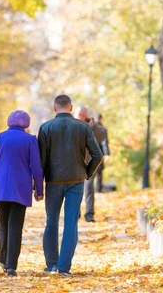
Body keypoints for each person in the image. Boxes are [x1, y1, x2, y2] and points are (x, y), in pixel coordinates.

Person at [38, 95, 103, 276]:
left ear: (54, 108)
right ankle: (64, 267)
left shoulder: (45, 128)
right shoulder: (83, 127)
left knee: (51, 222)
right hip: (76, 180)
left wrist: (38, 184)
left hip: (53, 181)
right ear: (71, 107)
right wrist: (87, 173)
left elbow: (40, 161)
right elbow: (97, 155)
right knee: (71, 223)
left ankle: (51, 264)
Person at [0, 110, 44, 277]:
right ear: (26, 124)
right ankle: (11, 266)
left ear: (9, 121)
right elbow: (37, 168)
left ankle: (3, 259)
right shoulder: (30, 140)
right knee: (15, 227)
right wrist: (39, 190)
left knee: (3, 225)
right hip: (21, 190)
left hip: (1, 188)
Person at [74, 107, 107, 223]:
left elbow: (102, 135)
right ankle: (75, 213)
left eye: (84, 115)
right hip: (74, 164)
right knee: (75, 189)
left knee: (89, 188)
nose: (81, 117)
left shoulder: (91, 126)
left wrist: (92, 124)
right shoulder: (70, 125)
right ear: (74, 114)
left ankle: (89, 214)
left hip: (89, 163)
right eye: (79, 114)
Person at [94, 113, 110, 193]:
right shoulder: (102, 129)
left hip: (89, 153)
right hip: (99, 153)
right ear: (101, 119)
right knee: (99, 172)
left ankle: (89, 191)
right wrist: (107, 154)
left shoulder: (89, 127)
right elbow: (104, 142)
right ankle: (98, 190)